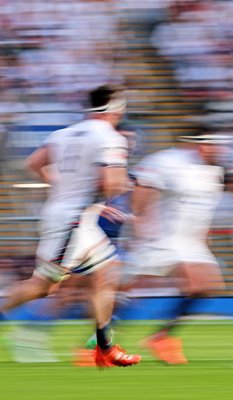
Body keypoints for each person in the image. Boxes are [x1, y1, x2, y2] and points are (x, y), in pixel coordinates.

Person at [0, 84, 141, 367]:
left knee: (108, 272)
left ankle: (105, 347)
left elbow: (34, 163)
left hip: (74, 216)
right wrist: (120, 184)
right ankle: (102, 347)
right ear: (116, 107)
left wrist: (66, 187)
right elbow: (111, 183)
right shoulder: (111, 138)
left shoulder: (62, 133)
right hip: (74, 220)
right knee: (43, 287)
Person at [131, 132, 232, 365]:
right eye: (213, 145)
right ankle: (98, 340)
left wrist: (205, 239)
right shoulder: (166, 161)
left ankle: (161, 337)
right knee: (133, 289)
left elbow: (203, 209)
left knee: (207, 286)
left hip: (191, 242)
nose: (219, 151)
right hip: (162, 236)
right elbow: (143, 189)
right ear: (199, 145)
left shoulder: (215, 173)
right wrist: (140, 224)